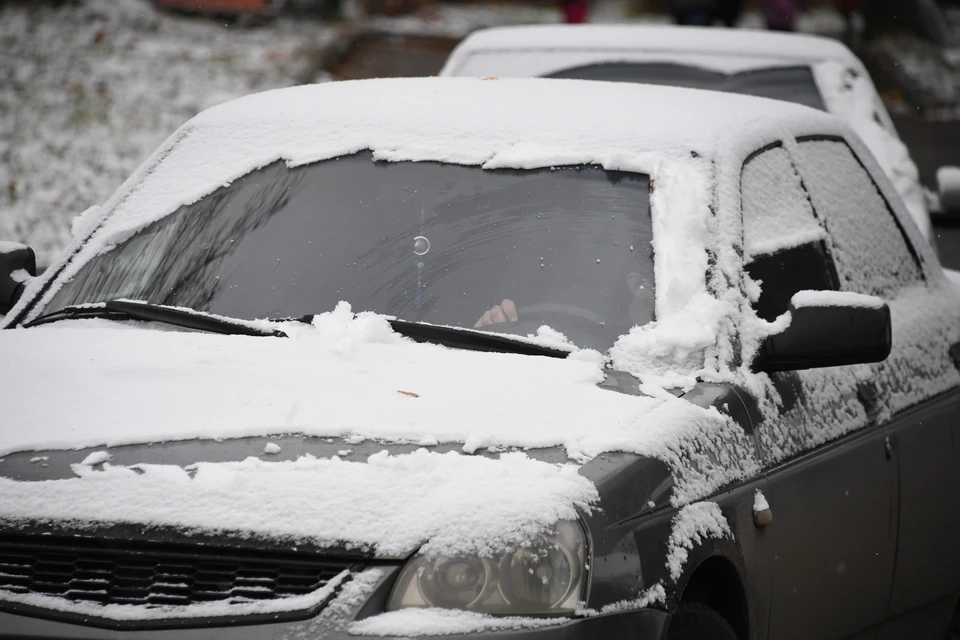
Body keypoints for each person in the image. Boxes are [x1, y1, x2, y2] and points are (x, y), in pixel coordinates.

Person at [474, 272, 654, 329]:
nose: (641, 291)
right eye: (638, 283)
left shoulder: (669, 370)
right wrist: (486, 334)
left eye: (647, 283)